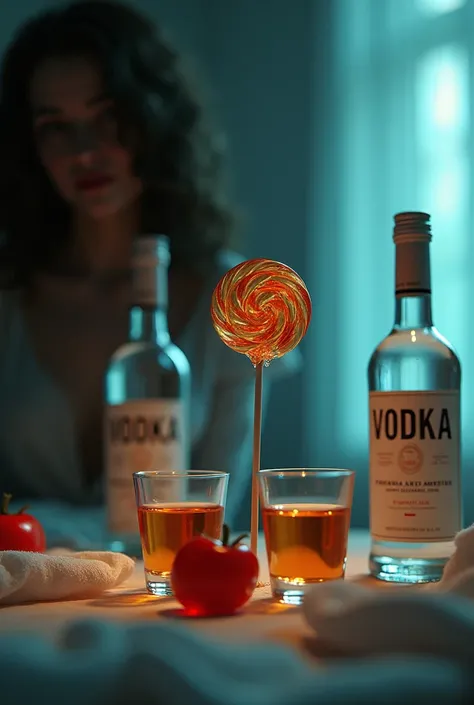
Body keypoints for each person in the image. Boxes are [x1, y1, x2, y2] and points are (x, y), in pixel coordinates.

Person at [0, 0, 300, 542]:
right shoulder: (8, 299)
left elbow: (213, 522)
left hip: (167, 600)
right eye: (56, 127)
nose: (86, 151)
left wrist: (40, 523)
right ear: (29, 146)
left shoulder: (237, 303)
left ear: (153, 118)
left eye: (108, 116)